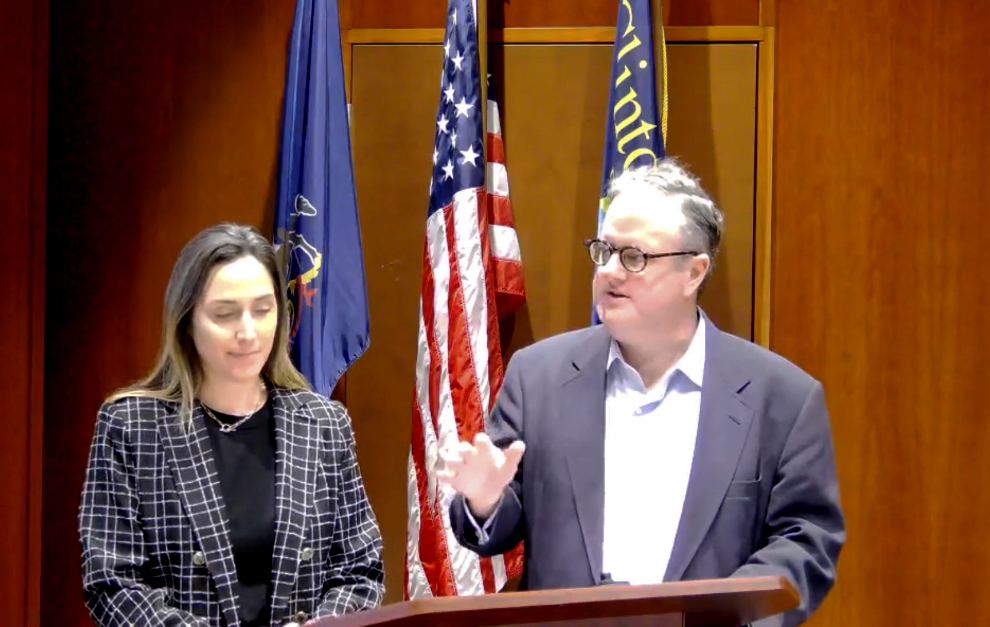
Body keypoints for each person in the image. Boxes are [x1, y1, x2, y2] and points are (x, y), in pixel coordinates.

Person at [439, 159, 845, 626]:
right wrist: (484, 501)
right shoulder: (538, 377)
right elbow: (494, 527)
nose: (611, 271)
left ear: (694, 272)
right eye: (604, 251)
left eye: (634, 257)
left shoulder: (782, 397)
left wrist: (734, 618)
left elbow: (806, 540)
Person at [79, 223, 384, 626]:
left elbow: (361, 571)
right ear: (186, 321)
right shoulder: (131, 426)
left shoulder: (324, 424)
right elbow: (112, 584)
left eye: (263, 310)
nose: (248, 332)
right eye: (224, 314)